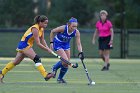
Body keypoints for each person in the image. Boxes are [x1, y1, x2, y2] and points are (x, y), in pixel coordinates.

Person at [0, 15, 56, 83]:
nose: (46, 25)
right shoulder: (35, 28)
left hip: (26, 45)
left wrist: (48, 48)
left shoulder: (41, 29)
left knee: (16, 62)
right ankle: (45, 75)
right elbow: (38, 43)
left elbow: (42, 40)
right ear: (40, 22)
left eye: (47, 23)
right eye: (45, 23)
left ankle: (1, 73)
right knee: (37, 59)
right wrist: (47, 50)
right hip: (24, 44)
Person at [50, 17, 84, 83]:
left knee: (66, 63)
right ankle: (55, 68)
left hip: (66, 45)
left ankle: (59, 78)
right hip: (57, 43)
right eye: (73, 26)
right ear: (69, 25)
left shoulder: (76, 32)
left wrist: (81, 52)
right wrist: (51, 43)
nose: (74, 28)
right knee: (65, 60)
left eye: (76, 26)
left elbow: (79, 44)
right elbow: (52, 31)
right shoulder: (63, 28)